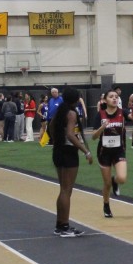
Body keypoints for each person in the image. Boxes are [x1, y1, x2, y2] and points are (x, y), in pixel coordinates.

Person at [51, 87, 93, 237]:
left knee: (63, 189)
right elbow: (70, 134)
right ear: (75, 100)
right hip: (68, 153)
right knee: (66, 191)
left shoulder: (60, 111)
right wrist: (86, 151)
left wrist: (57, 141)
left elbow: (51, 126)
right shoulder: (71, 113)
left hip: (58, 151)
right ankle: (65, 226)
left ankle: (60, 224)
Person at [91, 89, 128, 219]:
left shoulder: (122, 112)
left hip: (119, 150)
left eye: (116, 97)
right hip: (104, 152)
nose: (114, 98)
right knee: (107, 184)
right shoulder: (100, 115)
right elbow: (93, 137)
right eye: (111, 96)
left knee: (122, 178)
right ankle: (106, 205)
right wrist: (102, 127)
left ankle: (114, 181)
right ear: (105, 100)